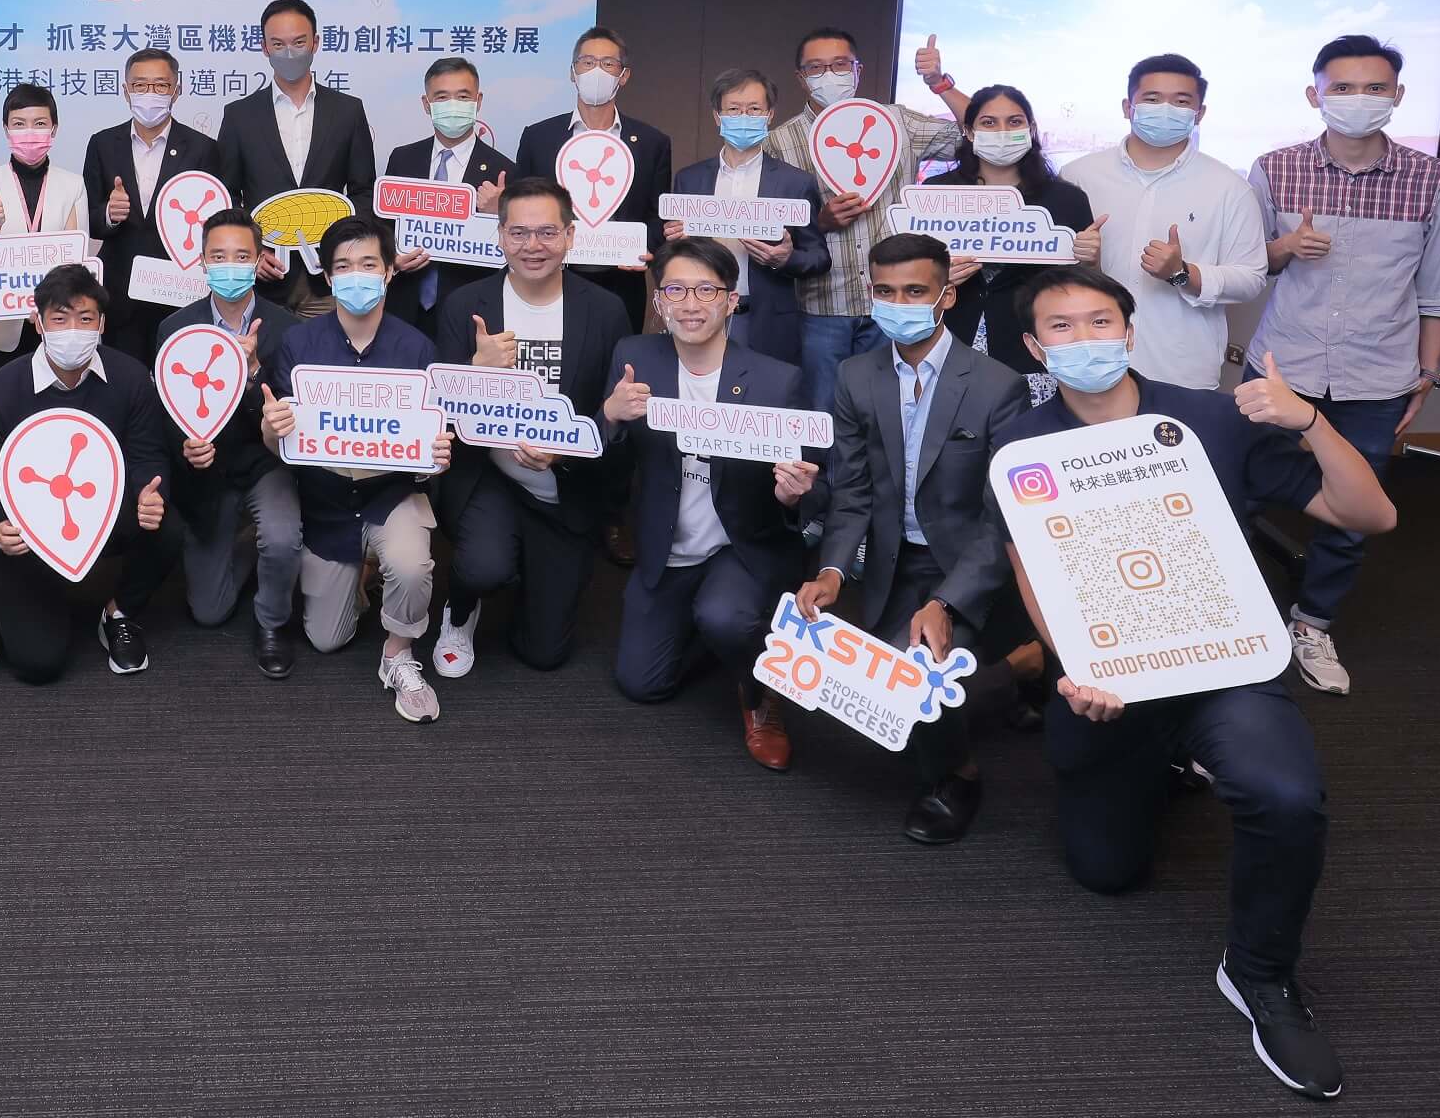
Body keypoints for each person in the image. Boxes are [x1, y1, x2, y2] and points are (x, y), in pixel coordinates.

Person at [998, 265, 1398, 1101]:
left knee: (1286, 797)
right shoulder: (1020, 444)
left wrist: (1313, 421)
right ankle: (1167, 764)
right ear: (1036, 348)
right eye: (1060, 328)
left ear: (1129, 330)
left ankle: (1260, 975)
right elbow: (1030, 568)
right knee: (1107, 871)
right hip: (1109, 682)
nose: (1084, 340)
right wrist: (1077, 667)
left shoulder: (1213, 417)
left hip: (1222, 667)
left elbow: (1369, 516)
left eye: (1099, 320)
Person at [1246, 34, 1440, 699]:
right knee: (1242, 490)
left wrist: (1427, 373)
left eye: (1375, 88)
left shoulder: (1436, 180)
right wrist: (1285, 245)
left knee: (1352, 509)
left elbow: (1439, 289)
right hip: (1283, 365)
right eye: (1342, 87)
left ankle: (1312, 622)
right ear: (1316, 96)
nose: (1358, 100)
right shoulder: (1274, 169)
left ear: (1398, 97)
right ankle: (1238, 620)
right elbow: (1250, 268)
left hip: (1378, 374)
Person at [800, 232, 1029, 845]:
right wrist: (832, 572)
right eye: (883, 290)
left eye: (914, 291)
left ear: (946, 295)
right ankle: (1002, 681)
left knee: (920, 679)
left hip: (966, 564)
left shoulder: (996, 385)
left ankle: (959, 775)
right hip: (892, 559)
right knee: (871, 693)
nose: (897, 302)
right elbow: (851, 492)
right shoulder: (855, 375)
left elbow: (1000, 517)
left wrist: (949, 601)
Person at [604, 239, 817, 770]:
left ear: (732, 300)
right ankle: (709, 629)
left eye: (706, 290)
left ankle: (758, 690)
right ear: (659, 301)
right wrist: (609, 417)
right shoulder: (634, 357)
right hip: (667, 547)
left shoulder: (776, 378)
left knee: (726, 617)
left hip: (738, 545)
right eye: (675, 289)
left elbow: (815, 488)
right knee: (642, 684)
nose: (690, 303)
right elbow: (606, 468)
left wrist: (793, 495)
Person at [428, 178, 630, 678]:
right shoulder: (466, 305)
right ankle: (463, 604)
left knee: (544, 653)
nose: (532, 246)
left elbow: (613, 414)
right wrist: (477, 370)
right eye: (518, 233)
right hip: (487, 475)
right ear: (499, 237)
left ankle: (532, 577)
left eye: (546, 232)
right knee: (483, 566)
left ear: (569, 236)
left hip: (563, 486)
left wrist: (564, 452)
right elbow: (436, 411)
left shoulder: (604, 310)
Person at [257, 214, 454, 722]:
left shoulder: (417, 348)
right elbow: (282, 447)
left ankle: (398, 653)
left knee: (411, 567)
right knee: (326, 639)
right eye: (343, 265)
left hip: (392, 496)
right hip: (326, 503)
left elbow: (425, 450)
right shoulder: (299, 347)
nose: (356, 274)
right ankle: (363, 579)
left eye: (369, 263)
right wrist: (271, 428)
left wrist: (435, 458)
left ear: (390, 271)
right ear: (326, 275)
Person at [0, 265, 179, 682]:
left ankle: (118, 611)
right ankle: (35, 596)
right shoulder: (2, 389)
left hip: (105, 510)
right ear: (37, 320)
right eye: (60, 318)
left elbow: (148, 455)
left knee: (166, 527)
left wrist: (152, 494)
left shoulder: (131, 377)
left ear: (102, 324)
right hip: (27, 532)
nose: (73, 330)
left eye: (86, 318)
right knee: (38, 664)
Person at [767, 26, 964, 414]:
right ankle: (825, 479)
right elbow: (772, 229)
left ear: (858, 70)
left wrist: (940, 84)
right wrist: (817, 223)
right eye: (816, 68)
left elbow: (972, 134)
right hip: (822, 307)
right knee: (823, 414)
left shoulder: (897, 123)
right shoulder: (780, 141)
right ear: (801, 78)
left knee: (893, 413)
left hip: (896, 306)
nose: (830, 75)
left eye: (840, 64)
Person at [1058, 53, 1268, 392]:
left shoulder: (1229, 187)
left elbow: (1251, 278)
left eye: (1181, 101)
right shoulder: (1078, 176)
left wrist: (1183, 273)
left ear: (1199, 113)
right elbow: (1050, 271)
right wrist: (1086, 262)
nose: (1165, 109)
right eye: (1152, 99)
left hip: (1181, 370)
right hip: (1084, 362)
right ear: (1128, 106)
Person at [153, 210, 304, 677]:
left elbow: (294, 420)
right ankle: (244, 546)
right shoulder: (175, 328)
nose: (229, 265)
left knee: (281, 540)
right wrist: (186, 445)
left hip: (266, 464)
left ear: (259, 260)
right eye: (218, 256)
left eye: (242, 256)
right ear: (202, 261)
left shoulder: (288, 328)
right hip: (208, 473)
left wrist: (255, 372)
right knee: (208, 611)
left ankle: (272, 622)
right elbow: (165, 410)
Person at [925, 84, 1101, 385]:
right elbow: (913, 278)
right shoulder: (936, 192)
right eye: (989, 122)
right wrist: (937, 277)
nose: (1002, 132)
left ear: (1031, 129)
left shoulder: (1067, 199)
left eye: (1015, 122)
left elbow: (1086, 285)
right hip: (948, 345)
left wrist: (1090, 259)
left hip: (1032, 349)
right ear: (969, 131)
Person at [661, 67, 828, 372]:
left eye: (754, 110)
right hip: (700, 312)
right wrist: (675, 242)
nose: (744, 117)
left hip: (765, 320)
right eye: (734, 110)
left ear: (769, 115)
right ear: (717, 116)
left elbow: (819, 258)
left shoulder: (795, 183)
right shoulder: (690, 179)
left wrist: (785, 258)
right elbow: (672, 256)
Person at [509, 26, 674, 333]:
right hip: (548, 278)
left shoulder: (652, 143)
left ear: (623, 75)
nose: (596, 71)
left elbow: (657, 214)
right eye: (587, 62)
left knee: (615, 368)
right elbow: (521, 204)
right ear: (573, 72)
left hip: (621, 283)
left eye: (608, 64)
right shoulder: (538, 137)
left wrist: (645, 250)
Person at [215, 0, 377, 307]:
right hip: (262, 281)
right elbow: (227, 196)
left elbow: (363, 191)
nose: (289, 53)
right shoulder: (239, 115)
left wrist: (341, 252)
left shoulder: (348, 111)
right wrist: (249, 252)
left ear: (316, 42)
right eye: (278, 44)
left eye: (299, 42)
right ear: (264, 48)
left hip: (329, 281)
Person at [84, 47, 222, 361]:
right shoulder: (103, 144)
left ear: (177, 89)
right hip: (120, 293)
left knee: (180, 375)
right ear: (125, 91)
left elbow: (216, 221)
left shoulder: (203, 149)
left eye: (160, 85)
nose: (150, 93)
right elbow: (87, 216)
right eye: (140, 85)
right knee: (124, 384)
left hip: (180, 290)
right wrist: (108, 213)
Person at [0, 82, 92, 372]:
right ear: (6, 129)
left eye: (40, 123)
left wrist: (55, 305)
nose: (29, 132)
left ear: (54, 129)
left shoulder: (72, 185)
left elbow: (76, 259)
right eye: (19, 124)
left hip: (55, 322)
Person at [382, 54, 511, 328]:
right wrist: (390, 259)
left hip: (472, 311)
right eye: (442, 97)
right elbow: (383, 228)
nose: (453, 105)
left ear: (478, 102)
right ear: (426, 105)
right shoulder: (402, 159)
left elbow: (519, 251)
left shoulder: (504, 171)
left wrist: (500, 213)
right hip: (403, 305)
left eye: (463, 97)